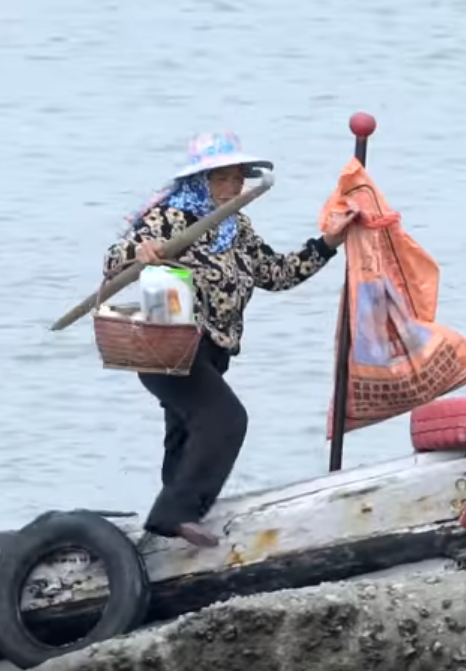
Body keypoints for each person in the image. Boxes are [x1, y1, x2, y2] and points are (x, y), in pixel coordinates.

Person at [102, 130, 361, 548]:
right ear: (200, 181)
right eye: (221, 178)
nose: (232, 186)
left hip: (212, 354)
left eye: (237, 177)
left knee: (186, 436)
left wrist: (329, 242)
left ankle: (168, 536)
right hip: (168, 347)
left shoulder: (237, 227)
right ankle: (174, 515)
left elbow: (277, 274)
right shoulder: (171, 217)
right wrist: (141, 253)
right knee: (225, 419)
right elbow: (115, 259)